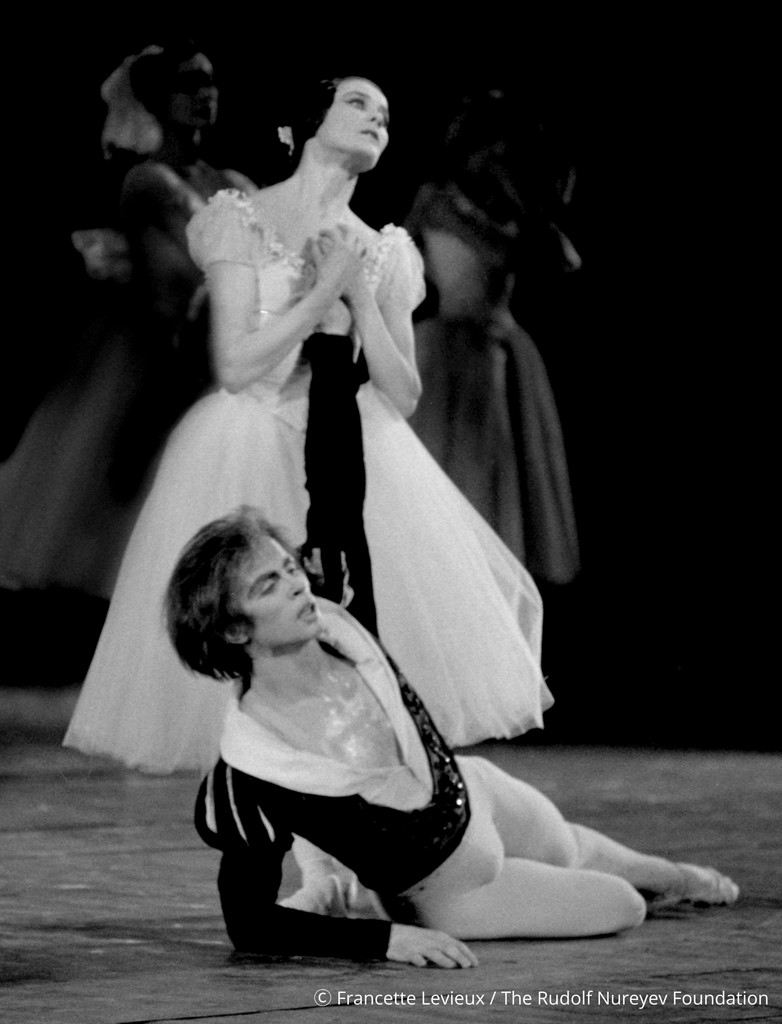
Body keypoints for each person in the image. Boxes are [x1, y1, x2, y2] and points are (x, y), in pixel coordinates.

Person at [64, 75, 550, 773]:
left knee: (348, 610)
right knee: (254, 612)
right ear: (312, 120)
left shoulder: (383, 249)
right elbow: (236, 364)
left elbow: (404, 392)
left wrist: (357, 293)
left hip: (346, 439)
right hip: (250, 434)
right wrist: (320, 293)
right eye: (358, 103)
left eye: (385, 114)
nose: (376, 119)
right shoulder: (241, 218)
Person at [166, 507, 738, 966]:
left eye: (290, 566)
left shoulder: (342, 621)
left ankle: (677, 877)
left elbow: (338, 487)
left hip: (471, 789)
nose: (297, 584)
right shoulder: (250, 770)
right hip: (446, 891)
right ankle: (360, 896)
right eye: (270, 584)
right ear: (234, 629)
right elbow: (249, 924)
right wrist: (387, 941)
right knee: (623, 905)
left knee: (574, 848)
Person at [0, 42, 256, 598]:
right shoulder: (149, 181)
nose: (205, 95)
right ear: (159, 99)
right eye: (189, 85)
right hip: (158, 345)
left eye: (210, 83)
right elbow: (171, 281)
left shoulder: (232, 182)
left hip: (221, 339)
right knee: (134, 480)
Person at [407, 90, 581, 585]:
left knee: (498, 490)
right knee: (450, 484)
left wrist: (531, 215)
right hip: (443, 357)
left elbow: (565, 262)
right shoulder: (438, 202)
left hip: (496, 355)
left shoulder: (519, 216)